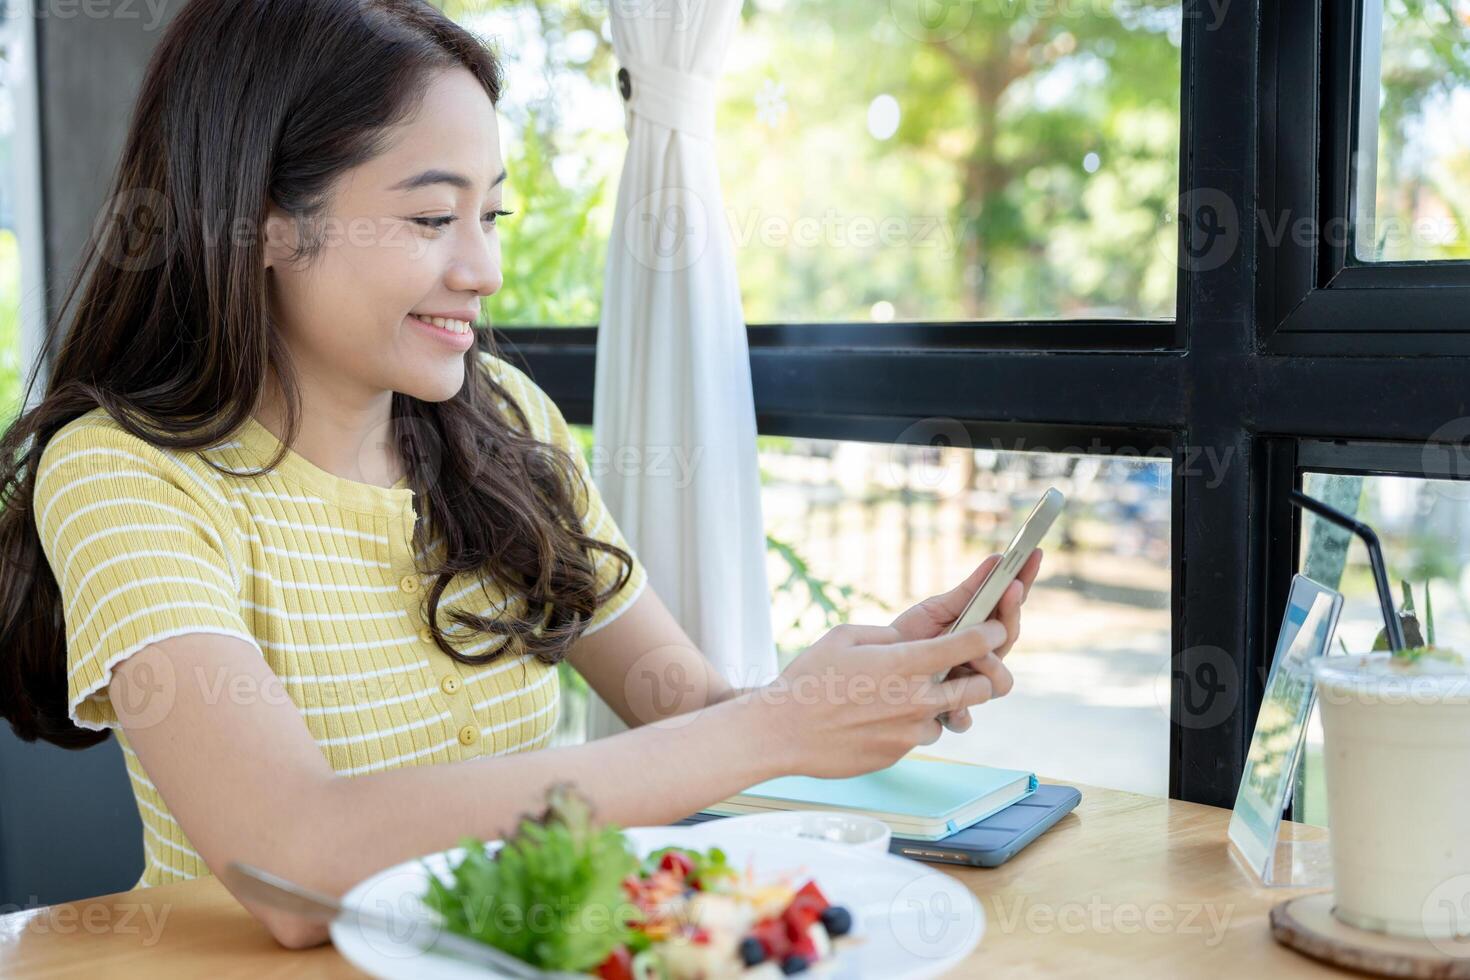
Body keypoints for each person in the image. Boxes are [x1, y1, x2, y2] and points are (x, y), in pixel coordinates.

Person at [0, 0, 1040, 949]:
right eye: (429, 218)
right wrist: (769, 727)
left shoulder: (502, 421)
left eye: (490, 216)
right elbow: (291, 865)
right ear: (264, 218)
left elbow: (684, 709)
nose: (483, 269)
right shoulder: (125, 473)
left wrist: (850, 685)